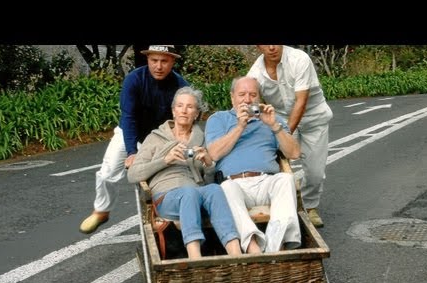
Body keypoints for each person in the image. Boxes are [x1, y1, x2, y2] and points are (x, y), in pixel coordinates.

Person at [79, 45, 189, 234]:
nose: (159, 66)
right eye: (154, 60)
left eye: (164, 61)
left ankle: (163, 219)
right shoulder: (134, 80)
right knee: (107, 172)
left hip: (160, 135)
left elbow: (185, 118)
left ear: (173, 62)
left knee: (161, 175)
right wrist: (132, 152)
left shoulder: (180, 85)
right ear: (147, 60)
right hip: (130, 131)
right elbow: (128, 117)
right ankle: (102, 210)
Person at [127, 86, 242, 259]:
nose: (184, 110)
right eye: (180, 106)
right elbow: (133, 174)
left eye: (190, 107)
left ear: (196, 114)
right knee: (189, 194)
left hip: (196, 190)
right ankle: (195, 258)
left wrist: (209, 164)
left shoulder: (201, 138)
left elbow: (209, 181)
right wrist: (165, 160)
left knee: (214, 190)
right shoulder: (155, 138)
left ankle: (237, 255)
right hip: (167, 195)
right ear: (173, 111)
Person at [205, 76, 301, 254]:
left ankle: (275, 248)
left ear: (259, 98)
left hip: (266, 181)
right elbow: (214, 153)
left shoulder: (273, 119)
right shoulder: (219, 119)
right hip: (234, 183)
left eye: (252, 94)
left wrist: (274, 126)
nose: (247, 99)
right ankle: (253, 247)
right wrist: (240, 126)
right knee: (225, 189)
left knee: (286, 180)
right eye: (242, 94)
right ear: (232, 97)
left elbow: (294, 153)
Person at [247, 45, 333, 228]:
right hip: (280, 119)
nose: (271, 47)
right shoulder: (255, 73)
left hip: (313, 118)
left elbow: (301, 101)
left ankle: (310, 207)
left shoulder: (299, 59)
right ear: (258, 46)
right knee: (275, 167)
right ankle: (279, 208)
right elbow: (251, 101)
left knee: (315, 172)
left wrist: (284, 134)